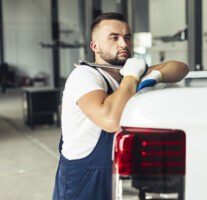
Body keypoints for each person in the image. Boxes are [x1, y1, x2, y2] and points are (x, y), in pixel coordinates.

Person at [52, 12, 189, 200]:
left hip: (116, 178)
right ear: (95, 46)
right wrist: (132, 76)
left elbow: (180, 67)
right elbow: (111, 120)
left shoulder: (128, 75)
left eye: (127, 37)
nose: (124, 44)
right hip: (84, 185)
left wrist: (154, 75)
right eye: (114, 38)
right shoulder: (84, 75)